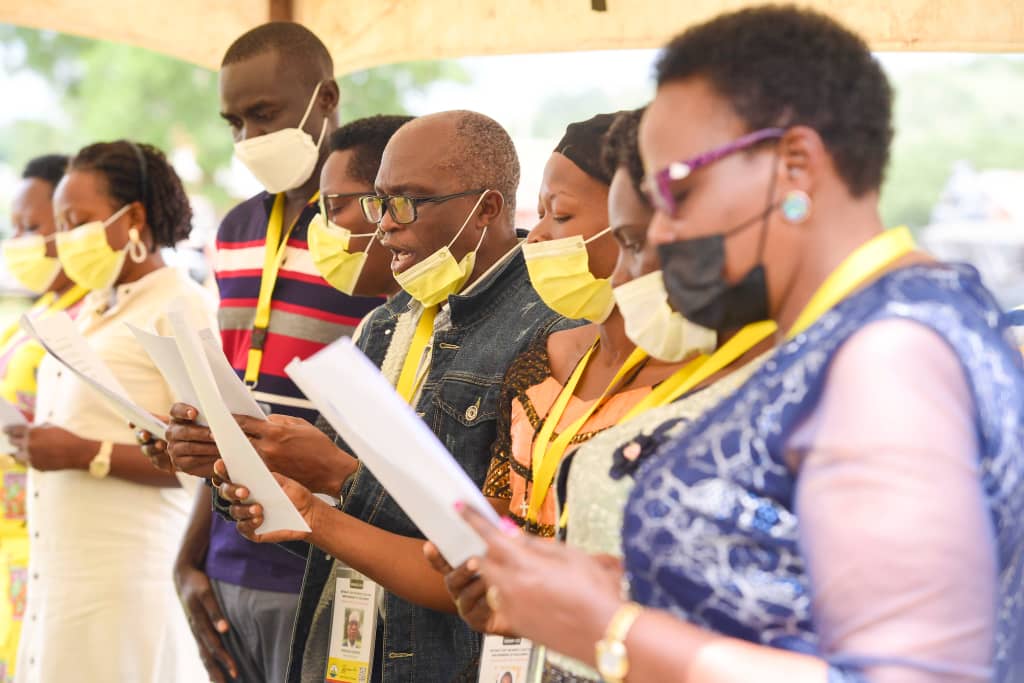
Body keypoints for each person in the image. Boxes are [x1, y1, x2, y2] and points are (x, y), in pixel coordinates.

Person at [453, 7, 1024, 683]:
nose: (659, 235)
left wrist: (611, 628)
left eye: (677, 190)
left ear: (796, 166)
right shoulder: (852, 332)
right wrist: (603, 588)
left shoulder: (888, 354)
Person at [219, 110, 566, 683]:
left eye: (407, 201)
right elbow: (346, 528)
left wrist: (338, 478)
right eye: (379, 202)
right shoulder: (384, 322)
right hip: (351, 649)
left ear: (485, 210)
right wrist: (257, 473)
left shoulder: (547, 329)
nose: (383, 226)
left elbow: (484, 541)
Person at [159, 23, 387, 683]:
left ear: (326, 99)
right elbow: (235, 413)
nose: (248, 140)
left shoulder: (373, 230)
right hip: (232, 559)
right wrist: (191, 556)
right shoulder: (235, 229)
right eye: (233, 122)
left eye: (264, 115)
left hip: (338, 560)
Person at [4, 140, 212, 683]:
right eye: (61, 224)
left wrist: (82, 454)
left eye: (78, 222)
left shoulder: (180, 306)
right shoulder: (97, 307)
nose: (64, 240)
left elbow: (208, 460)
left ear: (134, 217)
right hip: (63, 572)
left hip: (125, 575)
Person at [479, 113, 717, 540]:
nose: (535, 237)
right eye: (542, 212)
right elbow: (497, 524)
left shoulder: (713, 385)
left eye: (562, 215)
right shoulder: (539, 363)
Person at [0, 154, 82, 682]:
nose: (22, 241)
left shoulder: (85, 321)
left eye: (35, 228)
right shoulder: (34, 317)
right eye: (16, 229)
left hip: (41, 542)